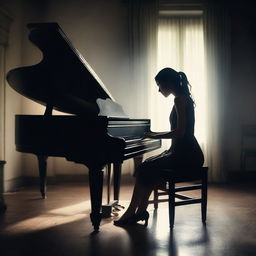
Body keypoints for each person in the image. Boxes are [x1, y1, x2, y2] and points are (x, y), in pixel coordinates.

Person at [114, 67, 204, 226]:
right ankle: (140, 210)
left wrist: (154, 135)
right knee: (147, 167)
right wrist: (154, 134)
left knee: (145, 167)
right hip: (185, 152)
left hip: (187, 155)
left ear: (168, 82)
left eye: (159, 85)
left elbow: (180, 132)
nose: (158, 89)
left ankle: (133, 211)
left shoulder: (179, 99)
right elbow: (180, 132)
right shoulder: (183, 98)